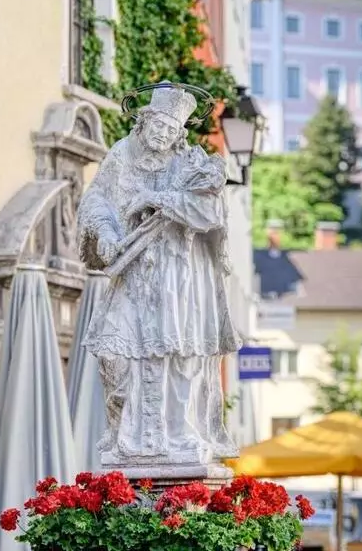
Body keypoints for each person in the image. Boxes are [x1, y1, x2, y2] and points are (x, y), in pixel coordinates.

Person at [77, 83, 242, 465]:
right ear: (144, 121)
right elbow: (97, 199)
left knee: (179, 350)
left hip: (180, 275)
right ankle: (126, 435)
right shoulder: (121, 156)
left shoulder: (193, 164)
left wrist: (159, 200)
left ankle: (178, 434)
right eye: (159, 125)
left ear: (179, 134)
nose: (163, 134)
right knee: (113, 355)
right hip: (134, 271)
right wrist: (105, 232)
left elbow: (211, 214)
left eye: (171, 130)